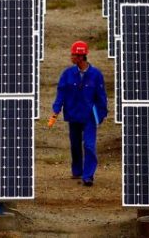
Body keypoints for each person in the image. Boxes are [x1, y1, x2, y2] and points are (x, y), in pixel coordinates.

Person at [47, 40, 108, 186]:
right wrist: (56, 110)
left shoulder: (96, 75)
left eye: (73, 55)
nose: (71, 57)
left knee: (89, 145)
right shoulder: (67, 74)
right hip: (73, 115)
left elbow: (101, 96)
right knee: (75, 145)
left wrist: (101, 114)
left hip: (89, 117)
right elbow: (61, 92)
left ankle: (88, 176)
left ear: (81, 57)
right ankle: (77, 170)